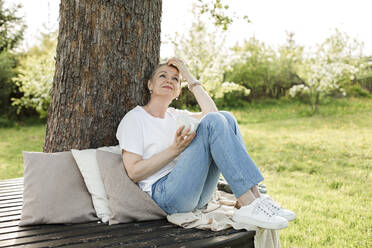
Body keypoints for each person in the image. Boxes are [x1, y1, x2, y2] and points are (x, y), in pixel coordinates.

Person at [116, 58, 296, 230]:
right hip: (165, 196)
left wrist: (187, 75)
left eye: (175, 79)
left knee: (227, 117)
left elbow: (214, 114)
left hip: (196, 193)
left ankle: (254, 200)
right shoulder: (135, 118)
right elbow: (133, 172)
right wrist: (174, 150)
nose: (168, 80)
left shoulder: (176, 115)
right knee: (213, 121)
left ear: (178, 91)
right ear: (150, 85)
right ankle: (249, 203)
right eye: (162, 75)